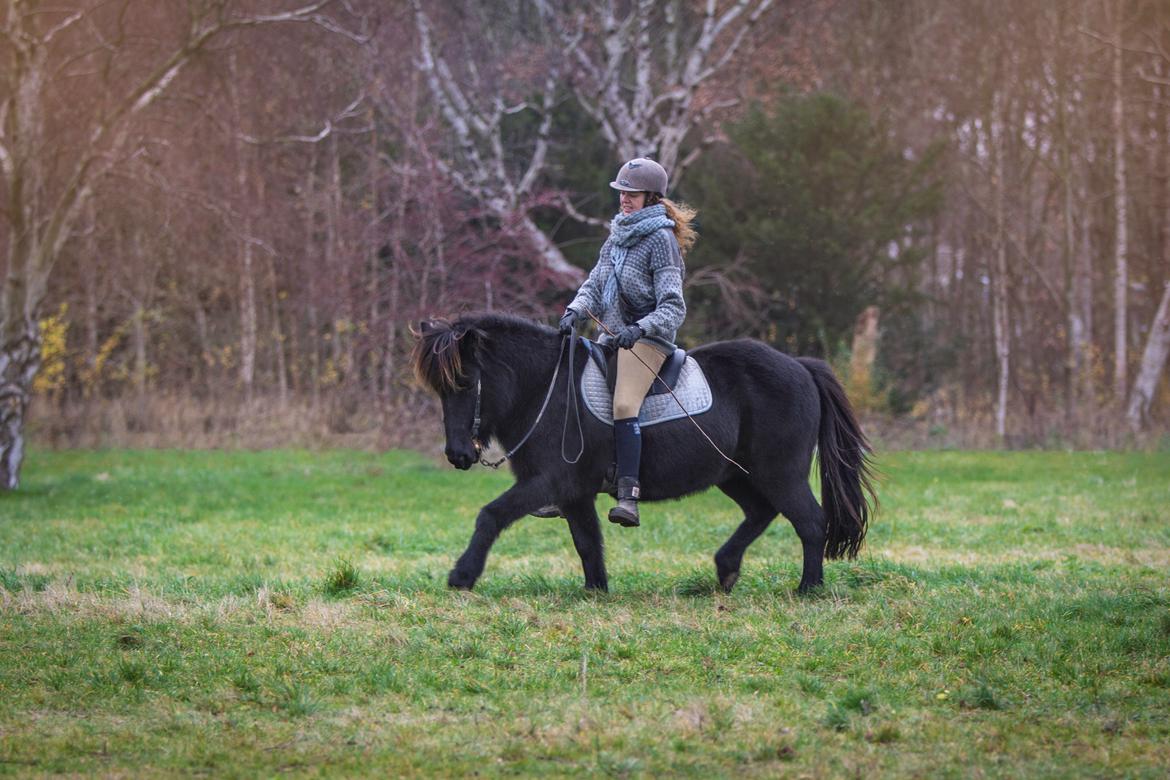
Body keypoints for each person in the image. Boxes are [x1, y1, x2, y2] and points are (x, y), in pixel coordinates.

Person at [558, 157, 697, 528]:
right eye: (621, 192)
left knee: (623, 404)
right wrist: (574, 310)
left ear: (651, 197)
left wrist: (640, 328)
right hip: (612, 337)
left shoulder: (661, 241)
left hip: (648, 341)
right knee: (572, 393)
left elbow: (673, 308)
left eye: (631, 194)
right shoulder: (617, 234)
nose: (624, 199)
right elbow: (594, 283)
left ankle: (628, 494)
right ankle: (568, 487)